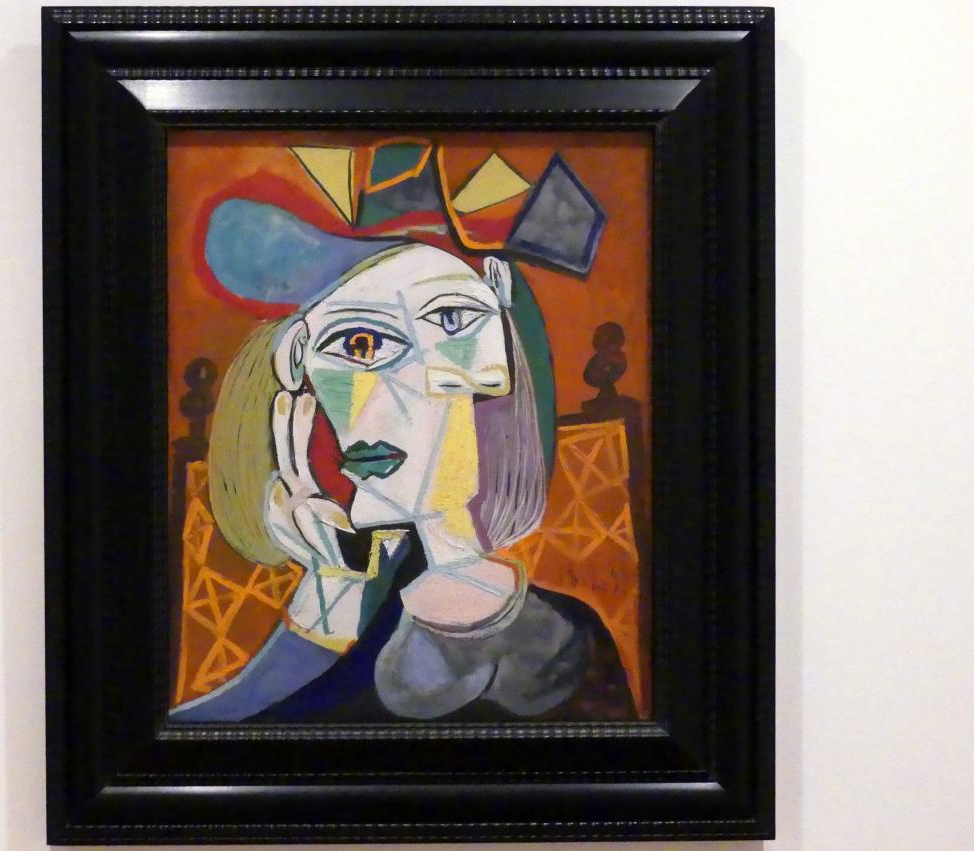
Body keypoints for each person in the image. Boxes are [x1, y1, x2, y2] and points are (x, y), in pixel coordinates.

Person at [171, 213, 633, 722]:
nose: (389, 397)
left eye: (453, 321)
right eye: (359, 346)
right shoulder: (349, 587)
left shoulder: (559, 641)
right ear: (297, 365)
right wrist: (331, 593)